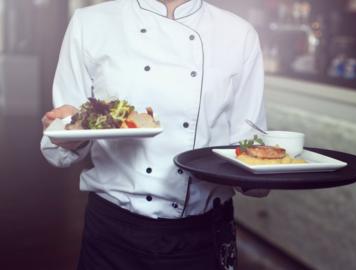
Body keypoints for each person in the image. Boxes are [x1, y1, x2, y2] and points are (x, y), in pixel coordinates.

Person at [40, 0, 268, 269]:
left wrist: (263, 172)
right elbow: (58, 144)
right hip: (112, 234)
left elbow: (250, 148)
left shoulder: (238, 34)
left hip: (203, 235)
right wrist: (67, 134)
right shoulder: (90, 23)